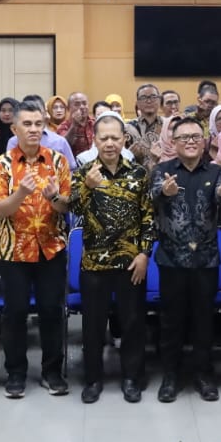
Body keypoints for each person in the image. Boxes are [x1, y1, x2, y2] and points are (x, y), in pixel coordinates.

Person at [0, 101, 73, 398]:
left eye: (39, 124)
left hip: (51, 248)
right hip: (14, 251)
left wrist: (54, 198)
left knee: (51, 310)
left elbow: (66, 207)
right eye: (27, 124)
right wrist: (21, 192)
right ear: (14, 129)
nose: (34, 129)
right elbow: (0, 209)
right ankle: (16, 373)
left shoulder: (58, 162)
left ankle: (52, 372)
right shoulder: (1, 165)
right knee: (15, 313)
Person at [71, 113, 153, 404]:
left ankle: (132, 378)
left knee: (132, 324)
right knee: (93, 327)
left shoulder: (139, 173)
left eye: (115, 138)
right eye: (103, 138)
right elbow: (71, 209)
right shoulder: (84, 173)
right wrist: (87, 187)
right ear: (94, 140)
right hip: (94, 263)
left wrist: (144, 253)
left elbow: (148, 217)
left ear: (124, 140)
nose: (109, 143)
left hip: (131, 263)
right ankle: (93, 380)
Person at [151, 116, 221, 402]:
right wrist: (164, 192)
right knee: (170, 321)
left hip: (205, 260)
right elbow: (152, 197)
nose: (190, 141)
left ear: (204, 141)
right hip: (171, 259)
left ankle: (204, 374)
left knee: (204, 321)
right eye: (183, 137)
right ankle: (170, 376)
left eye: (195, 137)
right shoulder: (162, 170)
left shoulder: (216, 170)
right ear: (173, 142)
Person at [127, 83, 166, 169]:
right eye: (143, 97)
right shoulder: (128, 128)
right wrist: (130, 155)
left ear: (159, 101)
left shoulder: (168, 125)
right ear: (137, 103)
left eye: (153, 97)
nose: (149, 101)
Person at [58, 91, 95, 155]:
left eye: (84, 103)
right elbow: (63, 146)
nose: (82, 107)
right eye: (77, 104)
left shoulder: (95, 123)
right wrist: (74, 125)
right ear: (68, 108)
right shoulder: (64, 126)